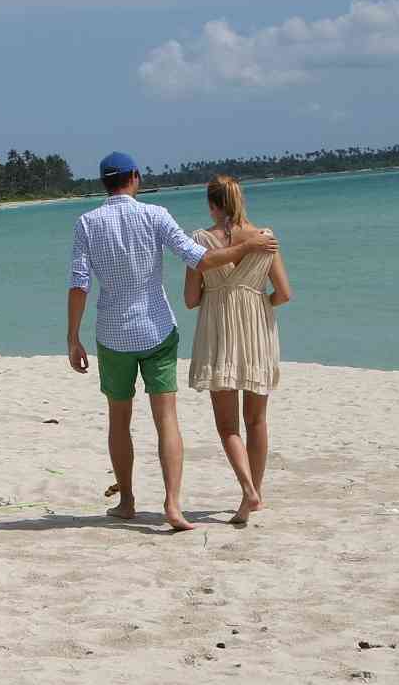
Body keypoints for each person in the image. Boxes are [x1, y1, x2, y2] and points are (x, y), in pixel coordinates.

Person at [67, 152, 278, 531]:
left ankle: (128, 500)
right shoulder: (156, 215)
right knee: (166, 419)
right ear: (135, 177)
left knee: (119, 419)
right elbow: (198, 258)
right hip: (157, 330)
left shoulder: (86, 223)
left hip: (113, 334)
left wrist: (72, 337)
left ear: (104, 183)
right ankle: (173, 504)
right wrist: (246, 249)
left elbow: (79, 283)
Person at [184, 175, 293, 526]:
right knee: (257, 420)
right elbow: (284, 294)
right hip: (257, 331)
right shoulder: (266, 240)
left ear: (212, 205)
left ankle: (248, 489)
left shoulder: (200, 242)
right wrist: (258, 304)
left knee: (228, 425)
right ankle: (254, 495)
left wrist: (218, 291)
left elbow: (190, 300)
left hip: (218, 332)